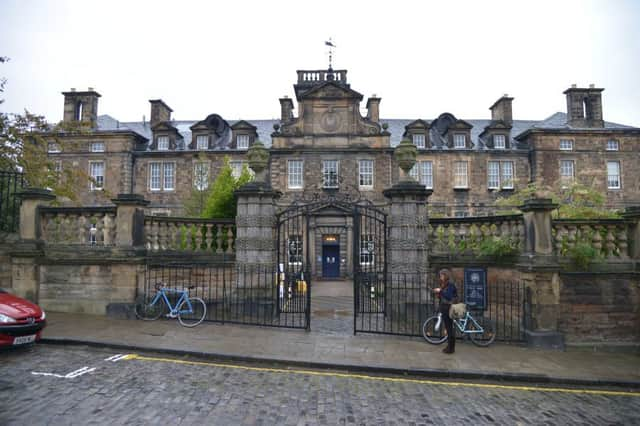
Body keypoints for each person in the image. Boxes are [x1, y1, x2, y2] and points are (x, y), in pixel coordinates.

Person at [433, 268, 458, 354]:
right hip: (444, 307)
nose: (440, 277)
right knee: (448, 328)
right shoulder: (445, 284)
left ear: (445, 275)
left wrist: (440, 291)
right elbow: (443, 296)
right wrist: (438, 293)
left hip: (449, 308)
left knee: (450, 328)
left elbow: (449, 296)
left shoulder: (450, 284)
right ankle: (450, 346)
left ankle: (451, 348)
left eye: (441, 275)